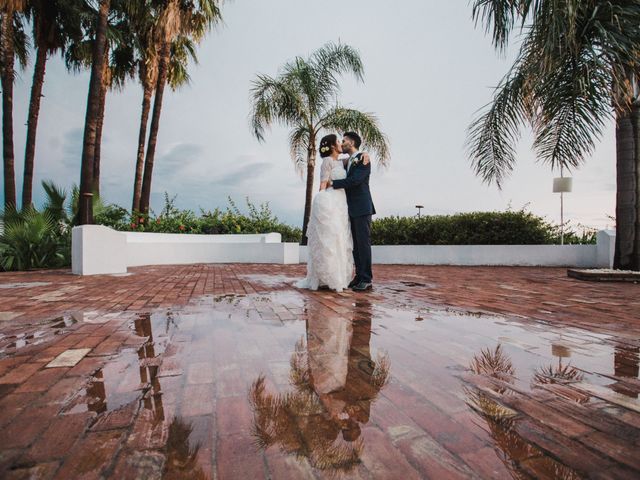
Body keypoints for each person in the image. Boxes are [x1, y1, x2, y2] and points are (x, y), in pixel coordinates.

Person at [295, 134, 354, 292]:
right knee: (330, 239)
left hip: (342, 204)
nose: (341, 143)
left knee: (341, 239)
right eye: (338, 142)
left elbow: (355, 156)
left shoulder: (341, 162)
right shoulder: (327, 161)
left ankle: (339, 276)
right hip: (331, 202)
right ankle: (327, 276)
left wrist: (366, 154)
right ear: (333, 146)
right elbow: (323, 184)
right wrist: (320, 206)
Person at [330, 132, 375, 291]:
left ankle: (367, 278)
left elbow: (355, 180)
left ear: (352, 142)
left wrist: (333, 184)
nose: (342, 143)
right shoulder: (348, 160)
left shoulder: (363, 158)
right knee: (355, 245)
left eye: (344, 140)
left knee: (363, 243)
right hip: (350, 209)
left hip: (362, 207)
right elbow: (331, 159)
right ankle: (359, 276)